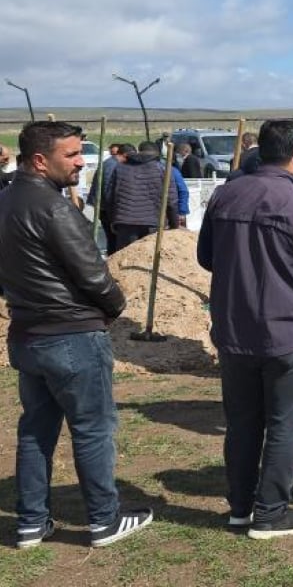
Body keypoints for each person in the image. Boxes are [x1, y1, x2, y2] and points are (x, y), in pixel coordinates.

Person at [0, 121, 152, 549]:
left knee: (35, 429)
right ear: (39, 160)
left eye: (79, 152)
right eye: (70, 154)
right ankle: (104, 521)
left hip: (28, 334)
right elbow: (93, 274)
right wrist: (115, 305)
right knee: (92, 428)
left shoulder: (6, 200)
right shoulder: (53, 208)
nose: (81, 161)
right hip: (70, 336)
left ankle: (31, 523)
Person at [198, 119, 293, 539]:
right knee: (284, 424)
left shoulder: (224, 197)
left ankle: (240, 508)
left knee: (242, 422)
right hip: (289, 332)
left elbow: (207, 257)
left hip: (234, 330)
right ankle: (271, 512)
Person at [104, 140, 179, 253]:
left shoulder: (120, 168)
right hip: (153, 223)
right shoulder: (162, 169)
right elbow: (171, 200)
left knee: (126, 259)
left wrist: (113, 220)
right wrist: (174, 225)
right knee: (149, 260)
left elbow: (110, 197)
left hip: (125, 223)